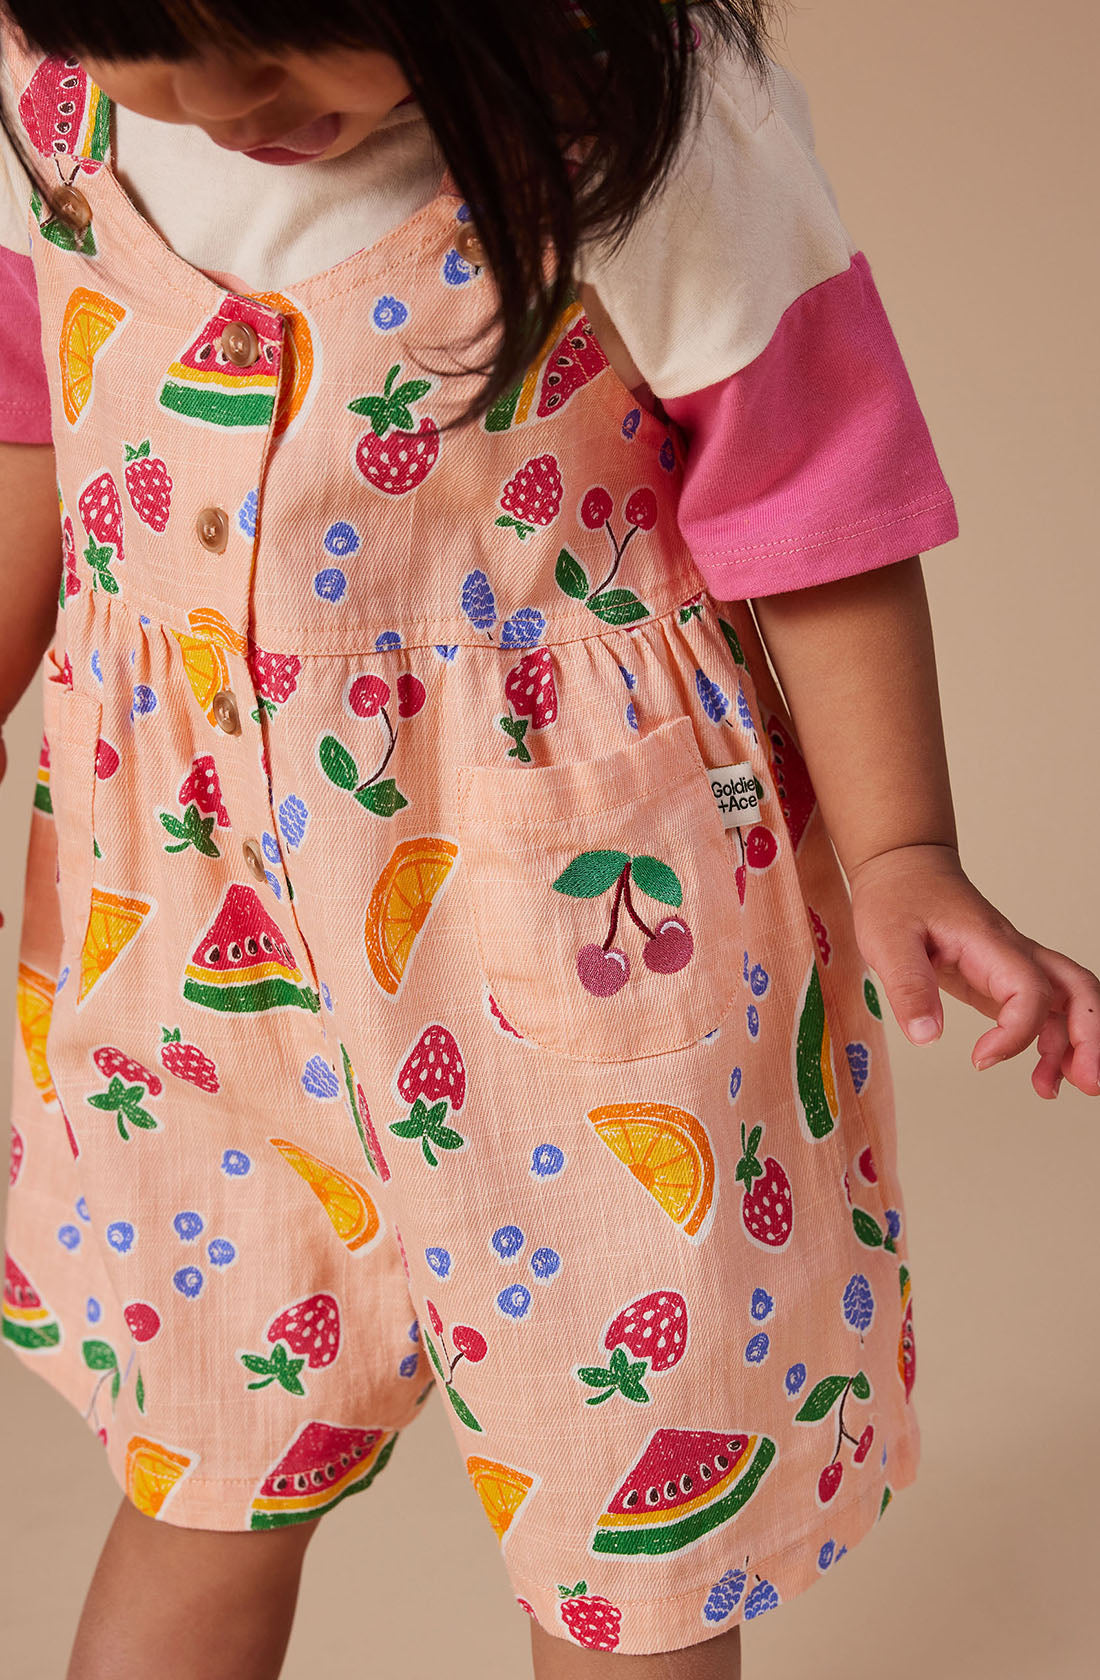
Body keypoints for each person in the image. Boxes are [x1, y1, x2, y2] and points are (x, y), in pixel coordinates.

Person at [0, 3, 1096, 1676]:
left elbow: (813, 497)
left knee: (629, 1539)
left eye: (282, 33)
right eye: (148, 53)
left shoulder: (641, 136)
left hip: (586, 932)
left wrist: (902, 851)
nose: (218, 108)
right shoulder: (62, 106)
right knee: (202, 1456)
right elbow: (34, 427)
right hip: (189, 930)